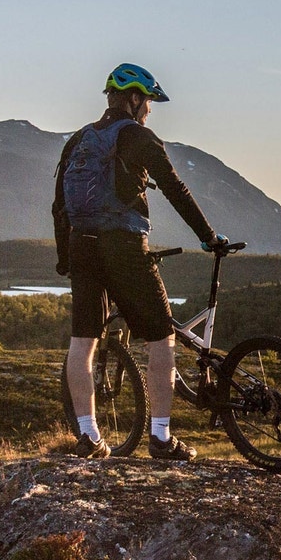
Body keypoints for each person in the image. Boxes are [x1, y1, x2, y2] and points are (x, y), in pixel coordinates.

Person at [53, 63, 228, 460]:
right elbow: (174, 187)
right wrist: (208, 237)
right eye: (147, 101)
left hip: (83, 245)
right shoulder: (135, 137)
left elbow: (59, 206)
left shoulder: (78, 140)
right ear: (133, 98)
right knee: (161, 337)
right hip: (124, 246)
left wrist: (66, 258)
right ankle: (161, 438)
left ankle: (89, 437)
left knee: (82, 344)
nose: (149, 109)